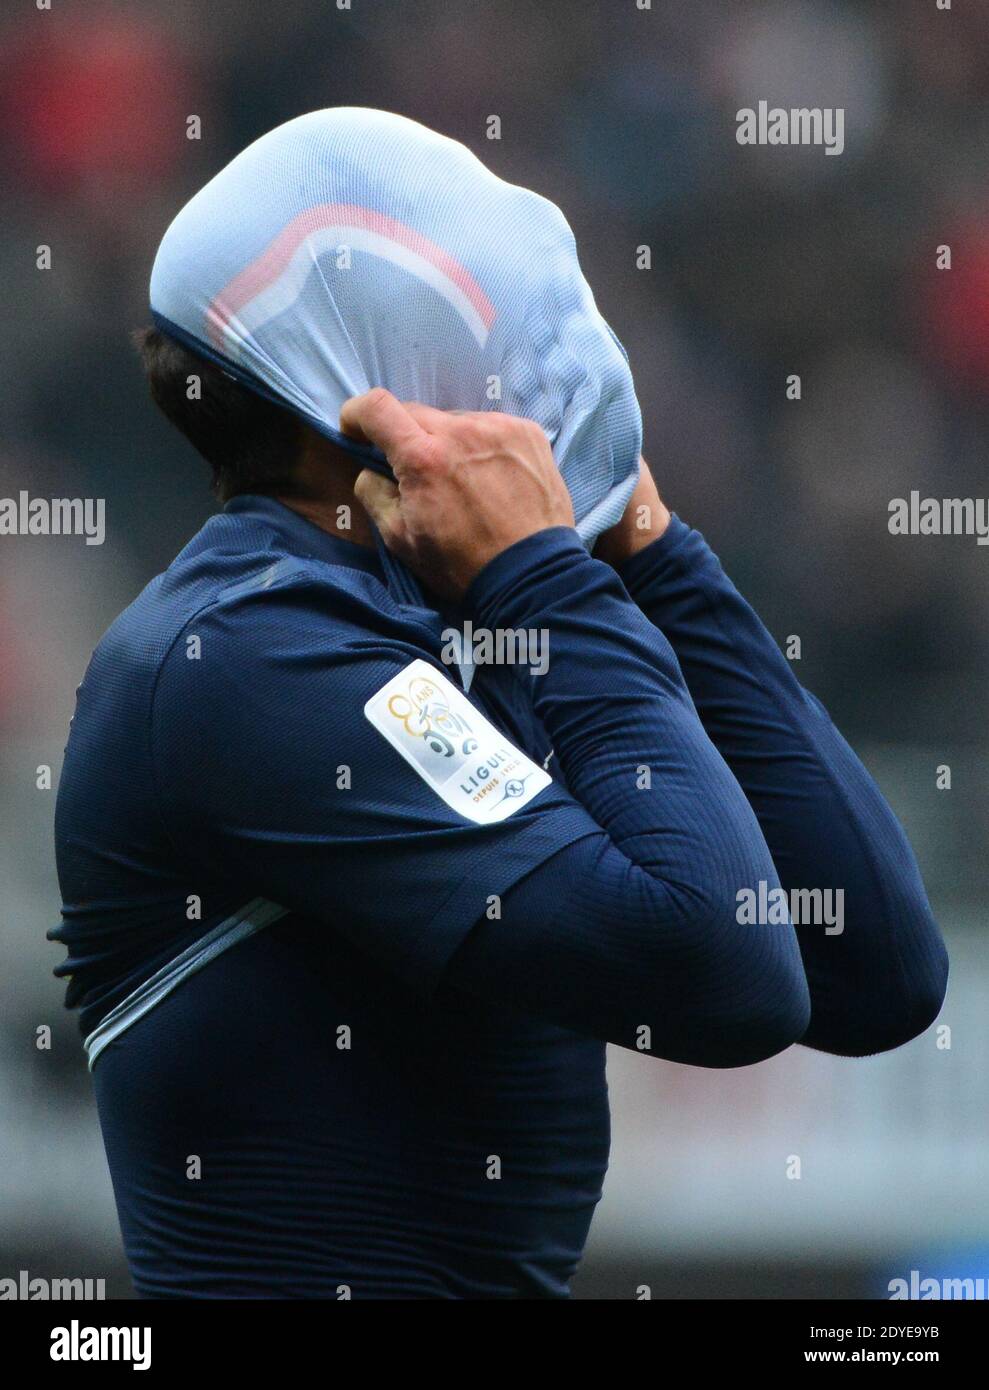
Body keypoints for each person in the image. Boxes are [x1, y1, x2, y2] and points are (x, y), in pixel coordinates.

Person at [51, 112, 947, 1300]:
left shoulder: (460, 614)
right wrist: (550, 574)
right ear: (362, 382)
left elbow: (874, 972)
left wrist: (651, 551)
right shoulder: (240, 655)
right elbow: (723, 975)